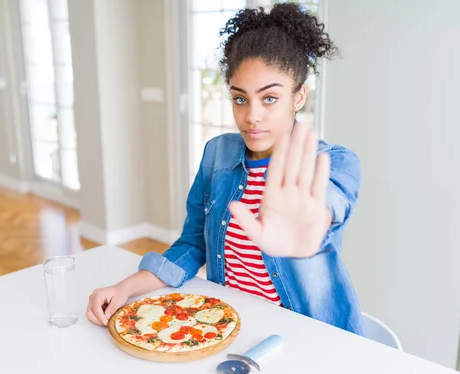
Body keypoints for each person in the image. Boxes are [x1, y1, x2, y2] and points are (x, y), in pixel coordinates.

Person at [87, 2, 364, 335]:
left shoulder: (335, 163)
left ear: (299, 96)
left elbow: (330, 205)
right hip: (228, 326)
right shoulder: (217, 155)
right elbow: (192, 244)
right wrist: (126, 288)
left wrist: (311, 219)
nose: (252, 116)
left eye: (270, 98)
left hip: (312, 337)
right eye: (240, 98)